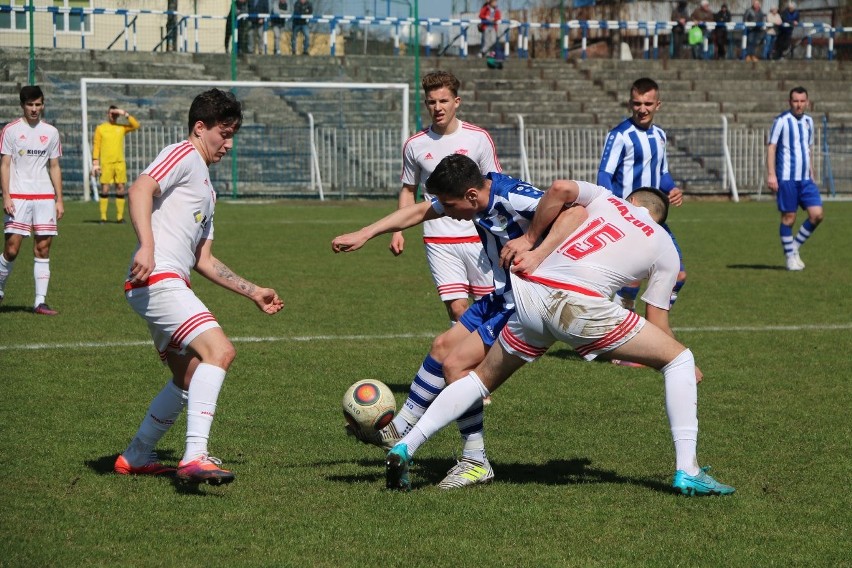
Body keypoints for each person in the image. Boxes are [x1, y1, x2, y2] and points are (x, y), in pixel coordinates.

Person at [384, 180, 736, 497]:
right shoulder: (666, 247)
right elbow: (657, 322)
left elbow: (560, 188)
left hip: (533, 295)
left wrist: (531, 240)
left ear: (630, 200)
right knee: (679, 359)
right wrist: (681, 367)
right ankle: (688, 470)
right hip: (580, 306)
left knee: (479, 379)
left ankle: (406, 446)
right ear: (661, 219)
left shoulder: (605, 198)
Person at [332, 154, 586, 489]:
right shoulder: (475, 195)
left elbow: (577, 211)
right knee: (442, 347)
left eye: (450, 205)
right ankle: (401, 430)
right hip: (501, 294)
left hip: (526, 300)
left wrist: (534, 246)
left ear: (470, 196)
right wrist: (367, 233)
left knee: (457, 368)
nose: (447, 212)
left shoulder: (512, 197)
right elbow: (421, 210)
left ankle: (475, 461)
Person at [114, 89, 284, 485]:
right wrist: (148, 246)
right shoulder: (183, 154)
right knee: (220, 351)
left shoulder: (208, 191)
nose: (228, 144)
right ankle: (195, 456)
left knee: (188, 377)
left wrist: (252, 290)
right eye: (223, 134)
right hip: (158, 279)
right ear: (199, 127)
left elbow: (203, 259)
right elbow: (140, 188)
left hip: (163, 280)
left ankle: (137, 455)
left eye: (233, 136)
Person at [393, 70, 501, 325]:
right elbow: (409, 189)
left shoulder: (478, 138)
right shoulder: (415, 144)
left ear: (456, 102)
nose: (437, 108)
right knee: (457, 310)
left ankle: (484, 362)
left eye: (443, 101)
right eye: (432, 102)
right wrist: (398, 231)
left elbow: (494, 185)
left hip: (478, 236)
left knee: (488, 308)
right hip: (438, 238)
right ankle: (463, 362)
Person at [597, 78, 686, 334]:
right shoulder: (620, 135)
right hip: (629, 221)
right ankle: (626, 332)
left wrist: (673, 189)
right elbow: (604, 176)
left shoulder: (659, 136)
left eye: (648, 103)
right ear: (630, 103)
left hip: (656, 220)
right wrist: (617, 210)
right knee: (632, 280)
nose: (642, 109)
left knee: (678, 276)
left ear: (658, 104)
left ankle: (640, 324)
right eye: (637, 103)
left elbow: (663, 173)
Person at [0, 85, 64, 315]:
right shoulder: (11, 131)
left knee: (43, 247)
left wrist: (59, 199)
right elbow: (5, 164)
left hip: (45, 196)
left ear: (43, 104)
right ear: (22, 105)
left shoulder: (52, 132)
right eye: (30, 105)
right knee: (12, 249)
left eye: (38, 104)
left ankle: (40, 301)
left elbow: (54, 166)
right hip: (17, 196)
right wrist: (6, 195)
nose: (34, 109)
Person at [766, 86, 823, 272]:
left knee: (817, 215)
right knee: (789, 218)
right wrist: (772, 174)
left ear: (807, 102)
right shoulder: (782, 121)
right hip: (787, 178)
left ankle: (794, 247)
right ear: (790, 102)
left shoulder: (809, 121)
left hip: (806, 179)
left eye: (802, 101)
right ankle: (790, 257)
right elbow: (772, 148)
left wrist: (812, 172)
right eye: (795, 101)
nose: (799, 105)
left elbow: (808, 149)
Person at [92, 105, 140, 224]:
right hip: (106, 163)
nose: (113, 115)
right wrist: (95, 161)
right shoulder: (101, 128)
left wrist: (124, 113)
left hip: (119, 163)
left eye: (115, 114)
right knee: (105, 189)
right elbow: (96, 145)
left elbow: (136, 125)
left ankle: (119, 217)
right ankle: (103, 217)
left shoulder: (121, 128)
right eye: (111, 113)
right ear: (107, 114)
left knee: (120, 188)